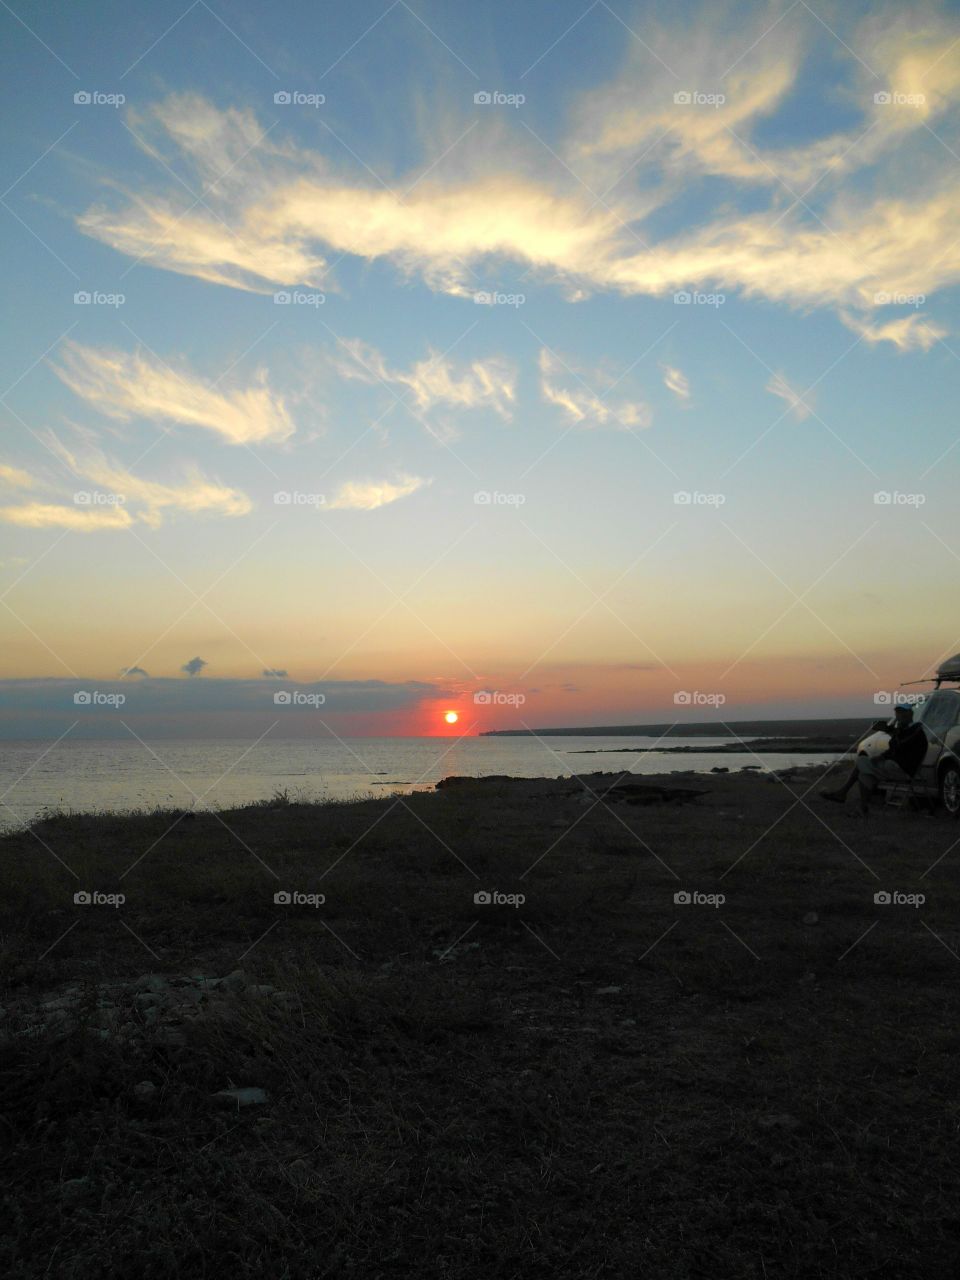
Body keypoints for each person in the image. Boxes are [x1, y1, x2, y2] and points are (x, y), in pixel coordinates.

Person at [820, 705, 927, 817]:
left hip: (903, 770)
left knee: (862, 761)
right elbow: (894, 749)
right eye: (897, 714)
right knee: (864, 773)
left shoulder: (915, 731)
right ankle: (862, 808)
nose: (899, 717)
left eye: (901, 714)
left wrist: (892, 733)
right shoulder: (906, 731)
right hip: (895, 767)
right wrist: (882, 753)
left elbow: (900, 748)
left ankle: (843, 793)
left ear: (909, 714)